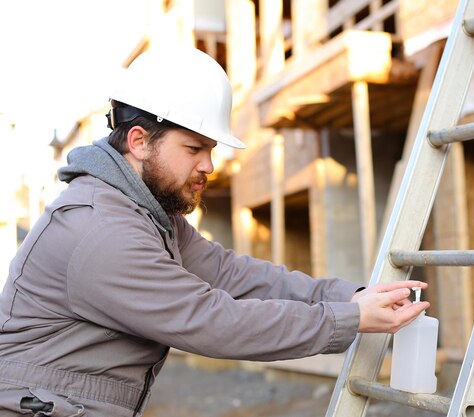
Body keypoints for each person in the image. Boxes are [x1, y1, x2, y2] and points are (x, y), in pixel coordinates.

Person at [0, 46, 429, 416]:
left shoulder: (148, 214)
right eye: (194, 148)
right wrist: (351, 319)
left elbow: (233, 277)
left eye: (211, 149)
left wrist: (347, 297)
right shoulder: (101, 231)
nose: (208, 165)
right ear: (138, 141)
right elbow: (212, 321)